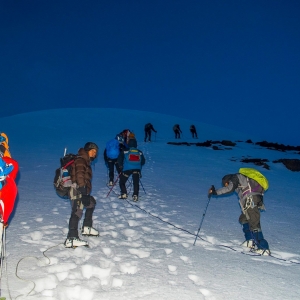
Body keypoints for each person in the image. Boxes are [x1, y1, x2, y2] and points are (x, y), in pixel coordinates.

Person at [208, 172, 270, 255]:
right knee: (243, 219)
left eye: (226, 183)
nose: (226, 185)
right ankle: (250, 241)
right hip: (253, 199)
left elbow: (230, 188)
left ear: (228, 180)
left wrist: (215, 192)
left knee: (254, 222)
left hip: (251, 199)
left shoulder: (236, 177)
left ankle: (264, 248)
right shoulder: (242, 182)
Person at [64, 142, 99, 248]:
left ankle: (87, 227)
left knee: (91, 203)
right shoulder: (81, 160)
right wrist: (83, 191)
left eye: (95, 152)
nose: (94, 153)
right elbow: (79, 175)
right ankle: (71, 238)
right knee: (77, 211)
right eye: (93, 151)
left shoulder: (85, 160)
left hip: (81, 190)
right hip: (77, 189)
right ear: (87, 150)